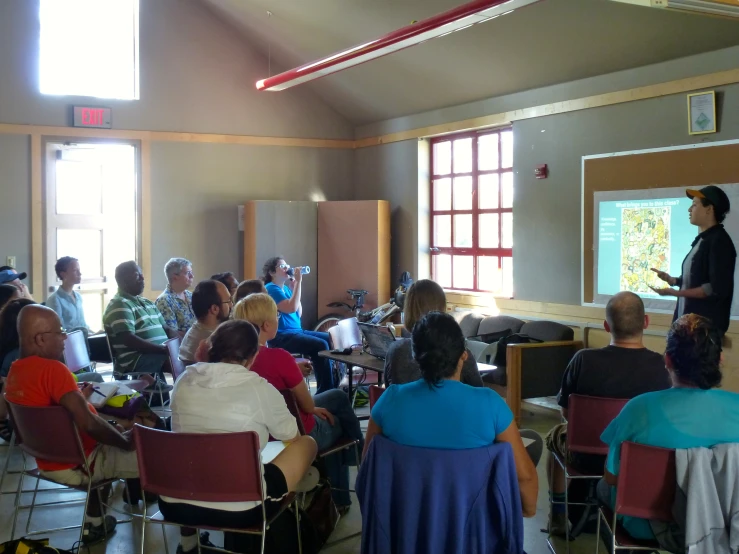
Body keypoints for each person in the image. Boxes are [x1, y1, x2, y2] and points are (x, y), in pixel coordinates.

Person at [161, 319, 318, 553]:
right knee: (306, 442)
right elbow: (290, 435)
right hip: (243, 509)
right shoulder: (260, 387)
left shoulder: (183, 380)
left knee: (197, 454)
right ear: (252, 357)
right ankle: (294, 489)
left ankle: (189, 544)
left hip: (175, 503)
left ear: (211, 347)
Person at [364, 311, 539, 518]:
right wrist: (524, 511)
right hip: (474, 532)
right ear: (464, 354)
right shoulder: (490, 404)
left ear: (415, 356)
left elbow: (367, 472)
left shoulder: (389, 401)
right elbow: (525, 480)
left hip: (408, 528)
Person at [599, 313, 739, 544]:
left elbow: (612, 478)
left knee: (602, 489)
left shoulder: (638, 408)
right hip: (723, 528)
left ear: (668, 360)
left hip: (647, 525)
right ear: (720, 359)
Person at [3, 305, 137, 544]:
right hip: (82, 465)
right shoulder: (54, 369)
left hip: (46, 461)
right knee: (156, 454)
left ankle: (95, 525)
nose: (65, 337)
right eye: (60, 332)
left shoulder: (15, 372)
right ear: (41, 338)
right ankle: (185, 539)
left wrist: (79, 400)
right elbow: (91, 425)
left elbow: (47, 412)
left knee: (110, 436)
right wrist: (125, 442)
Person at [545, 291, 670, 536]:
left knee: (554, 437)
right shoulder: (662, 366)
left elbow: (566, 412)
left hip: (585, 456)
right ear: (646, 322)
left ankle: (558, 513)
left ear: (605, 326)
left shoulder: (583, 360)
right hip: (638, 459)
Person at [234, 293, 364, 512]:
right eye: (277, 315)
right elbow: (305, 405)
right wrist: (311, 405)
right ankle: (342, 496)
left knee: (336, 396)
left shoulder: (231, 359)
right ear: (267, 325)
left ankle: (346, 463)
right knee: (337, 423)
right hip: (295, 434)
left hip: (255, 432)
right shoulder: (280, 358)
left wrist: (313, 405)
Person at [651, 185, 736, 334]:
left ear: (709, 209)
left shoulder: (719, 242)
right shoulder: (703, 240)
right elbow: (698, 278)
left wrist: (676, 293)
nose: (689, 210)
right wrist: (674, 281)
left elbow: (714, 288)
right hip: (688, 329)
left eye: (694, 205)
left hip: (701, 335)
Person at [384, 279, 483, 387]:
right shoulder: (459, 354)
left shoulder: (395, 351)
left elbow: (389, 388)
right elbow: (478, 393)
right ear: (441, 308)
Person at [262, 257, 334, 393]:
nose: (287, 268)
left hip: (296, 331)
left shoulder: (285, 289)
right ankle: (325, 390)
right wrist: (299, 282)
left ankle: (333, 383)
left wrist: (294, 287)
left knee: (329, 338)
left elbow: (298, 312)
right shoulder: (271, 288)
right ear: (272, 272)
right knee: (320, 345)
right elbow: (290, 308)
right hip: (281, 335)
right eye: (282, 266)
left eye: (287, 265)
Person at [103, 261, 177, 380]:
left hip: (157, 354)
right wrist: (163, 350)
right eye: (137, 275)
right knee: (177, 363)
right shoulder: (119, 304)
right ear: (124, 280)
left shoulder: (147, 302)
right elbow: (129, 339)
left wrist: (181, 344)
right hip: (136, 359)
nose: (143, 278)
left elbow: (167, 329)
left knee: (186, 358)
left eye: (141, 274)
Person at [179, 280, 232, 366]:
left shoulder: (197, 330)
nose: (231, 305)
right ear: (214, 309)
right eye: (228, 301)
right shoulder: (212, 341)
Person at [46, 256, 91, 333]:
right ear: (63, 274)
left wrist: (94, 333)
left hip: (83, 338)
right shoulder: (55, 300)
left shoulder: (78, 297)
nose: (80, 273)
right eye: (75, 270)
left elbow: (83, 325)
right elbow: (59, 329)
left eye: (79, 270)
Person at [156, 258, 196, 335]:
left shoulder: (191, 296)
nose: (192, 276)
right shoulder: (164, 301)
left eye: (191, 272)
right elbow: (172, 334)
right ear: (175, 277)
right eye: (188, 273)